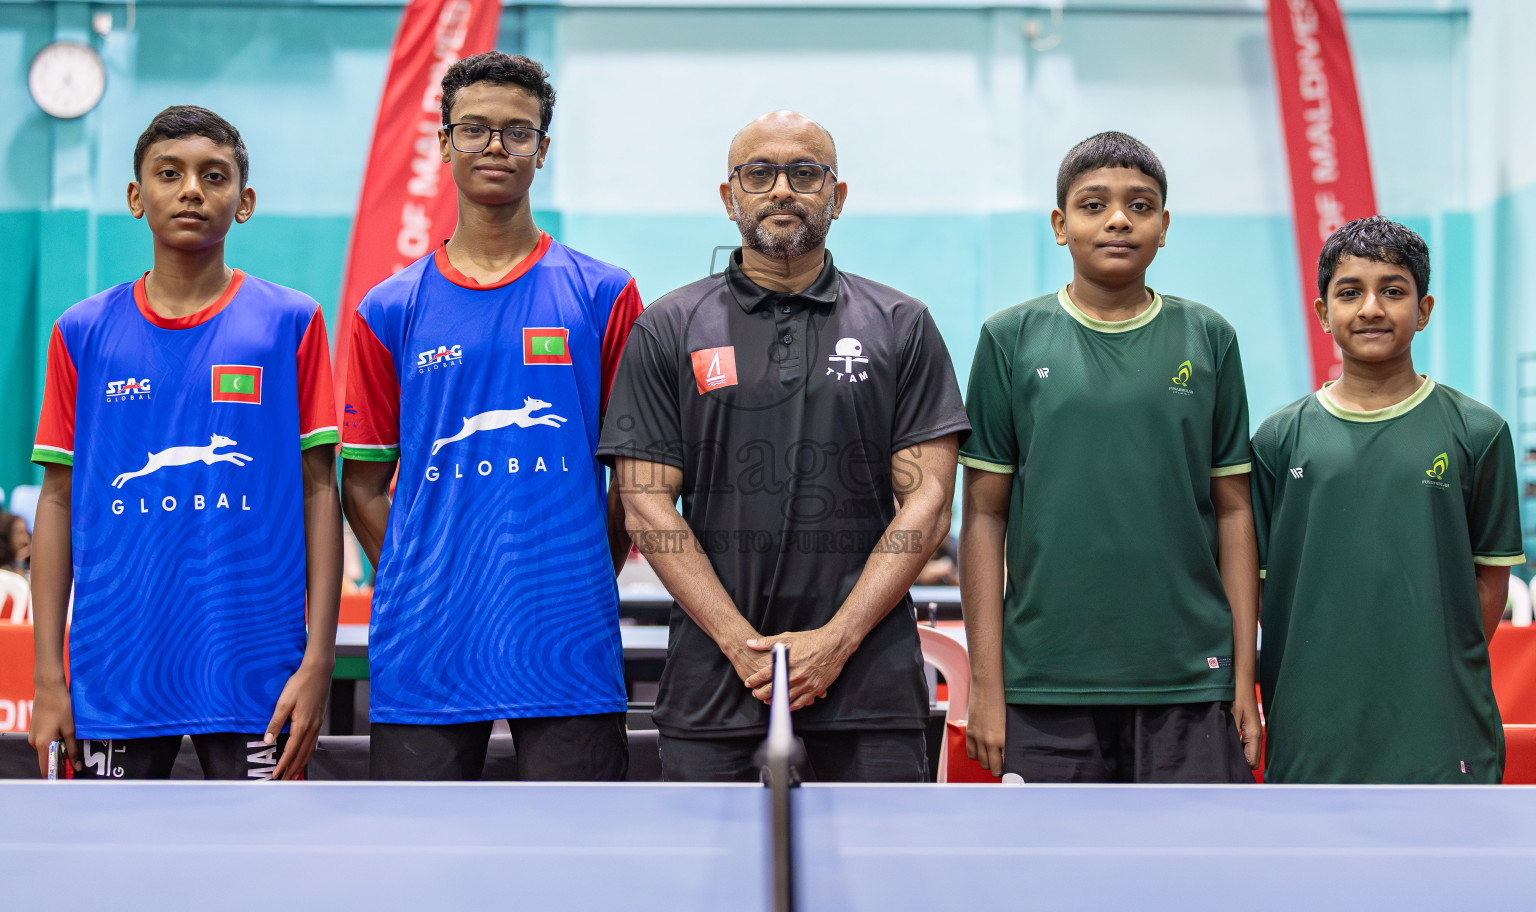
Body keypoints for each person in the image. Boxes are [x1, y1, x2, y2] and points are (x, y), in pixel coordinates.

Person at [599, 110, 969, 783]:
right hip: (714, 690)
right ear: (728, 196)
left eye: (804, 173)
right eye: (758, 173)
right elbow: (645, 503)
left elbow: (930, 503)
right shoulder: (668, 327)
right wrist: (741, 646)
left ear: (837, 195)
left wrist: (837, 641)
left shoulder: (901, 324)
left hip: (870, 696)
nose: (780, 189)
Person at [340, 52, 641, 781]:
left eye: (517, 132)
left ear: (543, 148)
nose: (495, 147)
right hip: (428, 642)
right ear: (444, 144)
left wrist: (582, 573)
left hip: (566, 638)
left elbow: (633, 480)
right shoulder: (389, 307)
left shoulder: (604, 294)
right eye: (473, 130)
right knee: (418, 849)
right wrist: (421, 573)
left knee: (577, 846)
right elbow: (362, 483)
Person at [27, 106, 343, 781]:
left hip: (259, 677)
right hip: (115, 675)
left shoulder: (291, 322)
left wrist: (319, 660)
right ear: (136, 196)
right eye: (169, 174)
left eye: (214, 175)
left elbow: (320, 490)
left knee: (269, 851)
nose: (192, 190)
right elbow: (56, 500)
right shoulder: (81, 331)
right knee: (106, 853)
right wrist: (48, 677)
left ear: (245, 201)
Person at [959, 130, 1259, 783]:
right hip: (1044, 682)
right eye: (1094, 205)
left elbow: (1236, 512)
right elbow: (983, 516)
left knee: (1196, 852)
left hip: (1191, 681)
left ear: (1164, 226)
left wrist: (1241, 677)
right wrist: (986, 683)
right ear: (1060, 225)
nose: (1119, 219)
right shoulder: (1010, 339)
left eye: (1140, 205)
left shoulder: (1209, 337)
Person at [1252, 217, 1524, 783]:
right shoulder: (1278, 439)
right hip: (1312, 726)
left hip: (1440, 726)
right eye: (1350, 292)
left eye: (1393, 292)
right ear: (1323, 312)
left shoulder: (1479, 432)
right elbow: (1259, 588)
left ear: (1423, 311)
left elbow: (1490, 582)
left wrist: (1432, 664)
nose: (1371, 309)